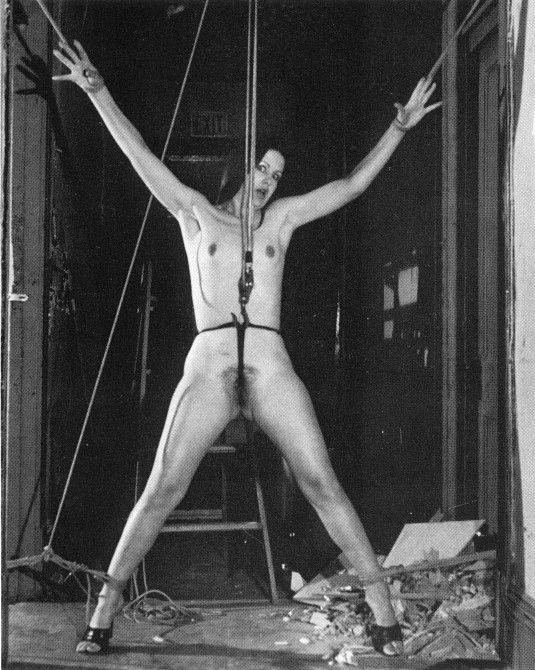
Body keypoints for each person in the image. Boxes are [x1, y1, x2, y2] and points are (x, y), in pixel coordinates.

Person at [53, 39, 440, 656]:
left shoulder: (283, 220)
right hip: (209, 368)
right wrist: (98, 93)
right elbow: (138, 154)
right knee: (163, 488)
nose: (268, 181)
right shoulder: (196, 214)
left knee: (321, 482)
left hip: (269, 365)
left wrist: (398, 129)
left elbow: (350, 186)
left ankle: (381, 606)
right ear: (242, 166)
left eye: (277, 175)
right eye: (262, 168)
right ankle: (105, 607)